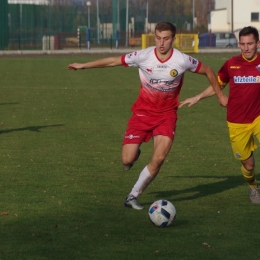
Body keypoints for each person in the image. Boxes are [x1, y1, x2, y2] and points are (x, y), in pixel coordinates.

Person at [68, 22, 227, 210]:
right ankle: (134, 155)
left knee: (159, 158)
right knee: (126, 161)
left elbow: (208, 70)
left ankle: (133, 196)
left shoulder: (182, 60)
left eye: (166, 38)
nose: (161, 43)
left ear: (173, 39)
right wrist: (84, 65)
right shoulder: (143, 56)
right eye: (158, 38)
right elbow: (112, 61)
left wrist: (220, 95)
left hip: (167, 115)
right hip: (142, 114)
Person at [179, 26, 260, 204]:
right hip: (237, 121)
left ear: (258, 43)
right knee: (248, 165)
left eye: (250, 44)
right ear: (239, 44)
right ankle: (253, 187)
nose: (246, 48)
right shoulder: (231, 64)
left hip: (258, 117)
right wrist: (198, 97)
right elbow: (218, 85)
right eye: (243, 44)